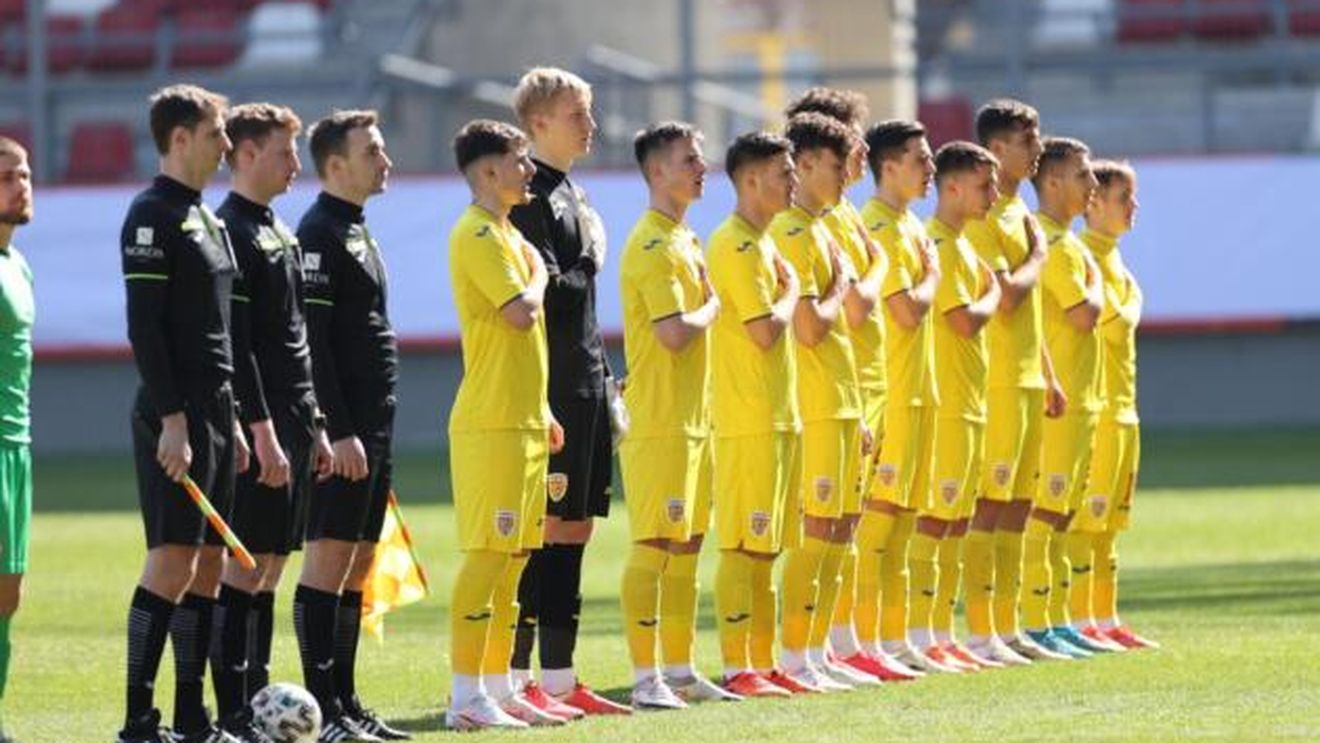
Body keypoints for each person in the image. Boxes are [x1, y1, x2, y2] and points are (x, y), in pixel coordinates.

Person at [117, 84, 247, 743]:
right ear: (179, 139)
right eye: (217, 132)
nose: (226, 145)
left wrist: (239, 420)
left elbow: (221, 330)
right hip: (176, 413)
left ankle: (193, 718)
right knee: (171, 560)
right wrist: (173, 419)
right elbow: (146, 330)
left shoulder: (207, 218)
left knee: (206, 567)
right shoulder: (151, 215)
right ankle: (139, 719)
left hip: (218, 412)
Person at [507, 67, 629, 715]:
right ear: (538, 123)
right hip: (550, 389)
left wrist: (606, 379)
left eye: (590, 110)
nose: (592, 123)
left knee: (575, 529)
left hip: (585, 383)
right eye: (577, 112)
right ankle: (515, 678)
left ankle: (559, 676)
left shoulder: (573, 194)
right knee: (543, 529)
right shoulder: (529, 196)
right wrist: (590, 260)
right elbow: (549, 293)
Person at [210, 103, 334, 742]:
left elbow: (295, 342)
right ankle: (232, 709)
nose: (295, 164)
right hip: (262, 426)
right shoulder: (230, 228)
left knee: (272, 567)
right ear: (248, 153)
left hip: (292, 420)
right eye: (286, 152)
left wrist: (310, 423)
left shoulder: (278, 230)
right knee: (244, 568)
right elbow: (243, 344)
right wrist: (259, 429)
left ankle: (257, 701)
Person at [444, 119, 566, 731]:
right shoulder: (476, 233)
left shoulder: (508, 233)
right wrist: (543, 274)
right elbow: (521, 314)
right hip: (490, 422)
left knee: (517, 559)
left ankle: (499, 686)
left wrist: (541, 410)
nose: (529, 169)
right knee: (488, 558)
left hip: (521, 421)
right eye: (520, 160)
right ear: (489, 171)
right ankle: (464, 695)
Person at [294, 110, 408, 742]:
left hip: (373, 425)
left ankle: (345, 702)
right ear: (336, 165)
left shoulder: (358, 229)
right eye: (373, 150)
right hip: (346, 433)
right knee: (328, 561)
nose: (384, 159)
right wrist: (335, 429)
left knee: (359, 562)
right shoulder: (318, 233)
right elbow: (312, 343)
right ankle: (320, 708)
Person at [616, 122, 734, 708]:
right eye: (690, 158)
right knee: (656, 546)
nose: (701, 166)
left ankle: (682, 671)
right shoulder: (652, 243)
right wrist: (713, 306)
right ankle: (645, 678)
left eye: (701, 156)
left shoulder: (684, 238)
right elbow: (673, 334)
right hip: (659, 420)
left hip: (693, 421)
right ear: (657, 171)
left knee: (686, 547)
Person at [771, 113, 875, 692]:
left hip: (840, 400)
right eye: (838, 166)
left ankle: (818, 651)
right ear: (805, 164)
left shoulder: (823, 229)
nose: (845, 177)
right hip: (811, 403)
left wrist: (857, 408)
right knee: (817, 533)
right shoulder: (790, 231)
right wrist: (841, 286)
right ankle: (795, 653)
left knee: (838, 531)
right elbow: (811, 328)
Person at [959, 100, 1066, 665]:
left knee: (1019, 507)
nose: (1038, 149)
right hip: (997, 380)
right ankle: (980, 631)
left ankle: (1006, 626)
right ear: (997, 151)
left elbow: (1031, 316)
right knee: (990, 507)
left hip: (1026, 377)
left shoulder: (1018, 214)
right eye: (1028, 141)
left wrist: (1048, 374)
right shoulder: (984, 218)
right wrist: (1040, 255)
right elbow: (1005, 300)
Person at [706, 132, 805, 699]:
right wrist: (793, 293)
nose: (791, 181)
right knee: (744, 545)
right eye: (782, 172)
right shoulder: (735, 246)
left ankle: (765, 663)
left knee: (767, 549)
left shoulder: (764, 244)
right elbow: (764, 332)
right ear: (749, 181)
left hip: (777, 415)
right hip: (747, 418)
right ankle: (735, 665)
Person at [856, 120, 948, 674]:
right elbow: (906, 311)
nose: (929, 166)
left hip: (919, 394)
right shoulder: (880, 229)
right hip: (889, 394)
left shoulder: (909, 225)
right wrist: (934, 274)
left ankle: (896, 639)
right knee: (878, 525)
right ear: (888, 166)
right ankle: (862, 643)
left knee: (905, 523)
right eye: (920, 157)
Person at [913, 141, 1003, 671]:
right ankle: (921, 633)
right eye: (983, 184)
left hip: (969, 402)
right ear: (952, 186)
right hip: (945, 402)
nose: (991, 195)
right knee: (934, 522)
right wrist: (993, 293)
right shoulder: (940, 246)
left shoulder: (965, 247)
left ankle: (941, 631)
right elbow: (964, 321)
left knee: (954, 524)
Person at [1021, 136, 1110, 659]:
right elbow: (1084, 314)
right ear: (1052, 182)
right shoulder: (1051, 243)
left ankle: (1055, 618)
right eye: (1082, 175)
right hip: (1059, 401)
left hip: (1083, 400)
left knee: (1062, 515)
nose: (1092, 185)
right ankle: (1034, 622)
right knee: (1045, 514)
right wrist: (1096, 283)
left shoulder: (1069, 243)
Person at [1072, 160, 1158, 651]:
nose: (1134, 207)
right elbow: (1104, 321)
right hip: (1097, 409)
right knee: (1083, 524)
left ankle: (1104, 617)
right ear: (1095, 202)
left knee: (1108, 527)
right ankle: (1075, 617)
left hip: (1125, 410)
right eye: (1124, 197)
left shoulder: (1116, 263)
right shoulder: (1083, 256)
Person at [0, 135, 34, 743]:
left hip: (17, 447)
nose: (20, 184)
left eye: (25, 173)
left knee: (8, 594)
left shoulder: (18, 264)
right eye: (7, 176)